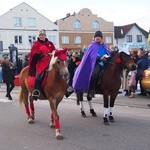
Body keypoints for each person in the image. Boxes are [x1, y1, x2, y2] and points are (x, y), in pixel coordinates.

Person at [73, 30, 111, 97]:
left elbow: (108, 53)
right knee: (94, 74)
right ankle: (92, 90)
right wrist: (99, 58)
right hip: (95, 63)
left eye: (99, 36)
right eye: (96, 36)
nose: (97, 37)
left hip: (105, 62)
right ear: (94, 38)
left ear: (101, 38)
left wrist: (108, 57)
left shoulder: (104, 46)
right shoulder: (92, 46)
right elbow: (91, 56)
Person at [28, 29, 56, 100]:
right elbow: (33, 54)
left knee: (60, 71)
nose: (41, 36)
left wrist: (53, 53)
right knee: (39, 76)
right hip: (41, 63)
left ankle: (66, 89)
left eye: (42, 35)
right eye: (40, 35)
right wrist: (42, 55)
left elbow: (54, 50)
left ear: (45, 36)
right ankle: (36, 90)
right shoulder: (36, 43)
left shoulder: (50, 43)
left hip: (50, 62)